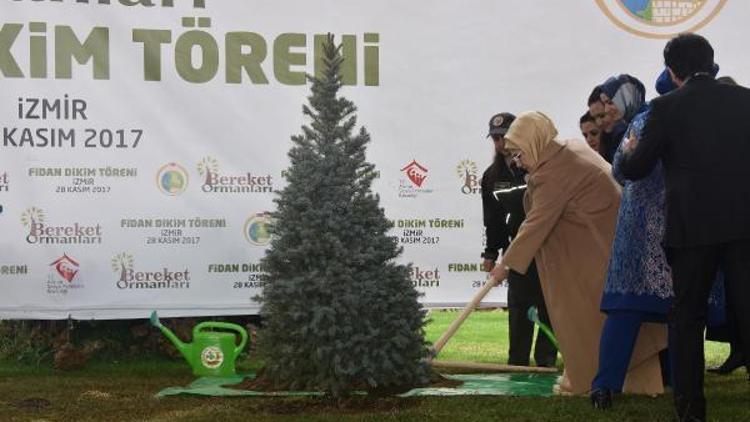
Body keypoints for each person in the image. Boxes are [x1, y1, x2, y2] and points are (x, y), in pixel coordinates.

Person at [619, 34, 750, 422]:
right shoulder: (746, 102)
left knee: (688, 318)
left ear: (672, 71)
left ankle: (691, 409)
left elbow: (638, 168)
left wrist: (627, 153)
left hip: (692, 230)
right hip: (745, 225)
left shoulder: (666, 107)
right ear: (712, 63)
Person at [490, 111, 663, 395]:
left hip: (596, 250)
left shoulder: (553, 173)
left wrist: (504, 267)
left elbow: (534, 224)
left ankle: (594, 380)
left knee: (589, 318)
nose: (517, 162)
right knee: (610, 317)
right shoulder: (566, 150)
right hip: (606, 245)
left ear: (534, 142)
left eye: (519, 154)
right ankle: (630, 382)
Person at [589, 70, 677, 409]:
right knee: (679, 310)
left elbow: (621, 170)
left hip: (640, 230)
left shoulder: (642, 123)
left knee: (625, 309)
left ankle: (605, 386)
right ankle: (679, 382)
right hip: (674, 226)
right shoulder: (684, 122)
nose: (607, 108)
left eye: (611, 101)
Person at [480, 112, 557, 368]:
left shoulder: (541, 167)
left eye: (505, 138)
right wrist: (491, 252)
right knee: (519, 307)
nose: (500, 144)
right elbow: (493, 219)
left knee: (548, 306)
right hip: (518, 250)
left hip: (548, 248)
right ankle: (517, 363)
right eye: (495, 139)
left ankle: (546, 362)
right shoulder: (491, 177)